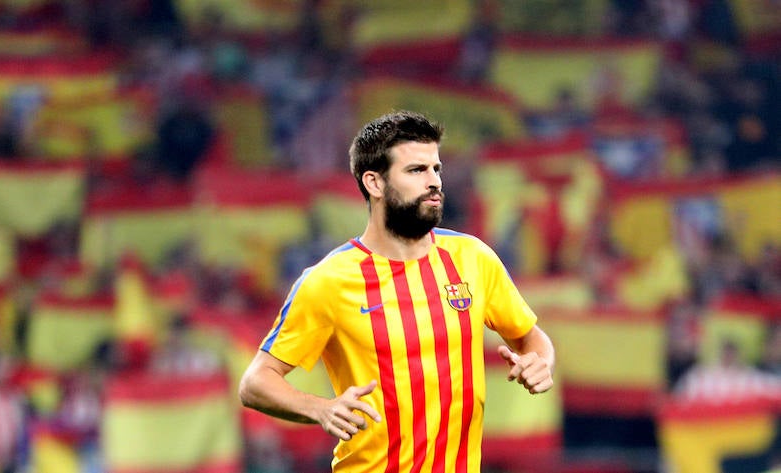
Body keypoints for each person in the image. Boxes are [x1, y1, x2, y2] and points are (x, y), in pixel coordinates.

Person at [238, 110, 556, 472]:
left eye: (436, 169)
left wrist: (540, 362)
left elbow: (531, 338)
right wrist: (320, 408)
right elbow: (255, 382)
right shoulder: (328, 280)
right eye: (416, 171)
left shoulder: (473, 258)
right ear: (374, 183)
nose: (434, 181)